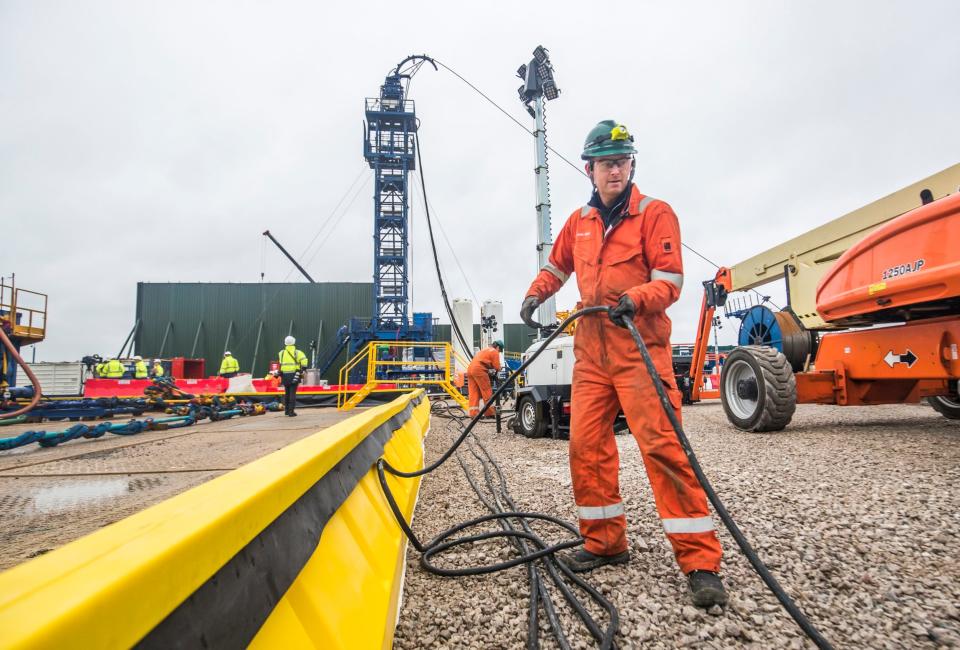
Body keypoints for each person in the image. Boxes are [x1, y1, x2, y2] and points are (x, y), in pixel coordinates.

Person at [519, 120, 726, 608]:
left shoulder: (656, 215)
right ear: (588, 169)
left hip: (639, 349)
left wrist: (637, 298)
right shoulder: (579, 223)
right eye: (606, 163)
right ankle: (604, 543)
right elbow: (557, 267)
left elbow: (671, 281)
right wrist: (535, 294)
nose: (615, 169)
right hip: (592, 354)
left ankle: (700, 561)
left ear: (632, 165)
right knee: (586, 447)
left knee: (663, 449)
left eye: (623, 161)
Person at [467, 340, 503, 418]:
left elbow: (484, 362)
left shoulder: (485, 350)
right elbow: (497, 366)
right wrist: (500, 368)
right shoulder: (494, 351)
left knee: (474, 392)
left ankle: (474, 414)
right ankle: (489, 413)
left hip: (470, 368)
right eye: (500, 351)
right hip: (479, 369)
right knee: (487, 391)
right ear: (498, 347)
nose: (499, 352)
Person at [278, 336, 308, 416]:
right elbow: (304, 361)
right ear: (294, 342)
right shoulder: (297, 352)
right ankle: (291, 412)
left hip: (284, 375)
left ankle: (286, 411)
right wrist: (303, 369)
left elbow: (280, 363)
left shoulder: (281, 353)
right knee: (292, 393)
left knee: (287, 393)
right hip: (294, 374)